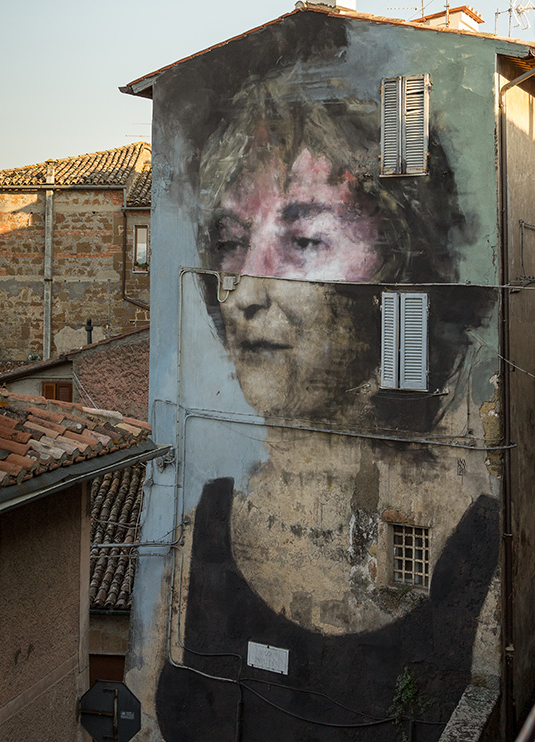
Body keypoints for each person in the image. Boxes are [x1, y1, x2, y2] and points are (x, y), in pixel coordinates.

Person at [156, 71, 498, 741]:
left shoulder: (478, 549)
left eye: (305, 241)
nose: (243, 293)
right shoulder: (204, 528)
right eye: (230, 243)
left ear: (394, 280)